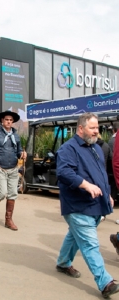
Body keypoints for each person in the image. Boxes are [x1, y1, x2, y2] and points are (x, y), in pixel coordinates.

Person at [56, 112, 119, 298]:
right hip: (77, 205)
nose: (96, 132)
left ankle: (63, 262)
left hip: (95, 204)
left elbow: (101, 174)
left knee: (74, 236)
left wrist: (107, 193)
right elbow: (64, 172)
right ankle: (105, 282)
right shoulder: (68, 149)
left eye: (97, 128)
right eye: (92, 128)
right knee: (90, 244)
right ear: (81, 128)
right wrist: (85, 184)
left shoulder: (96, 148)